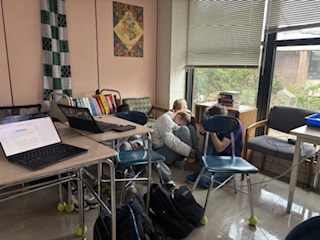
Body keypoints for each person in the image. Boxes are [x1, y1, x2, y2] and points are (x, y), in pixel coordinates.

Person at [186, 103, 243, 188]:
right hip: (214, 157)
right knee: (208, 139)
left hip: (229, 160)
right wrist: (202, 133)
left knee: (203, 181)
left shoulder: (234, 125)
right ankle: (202, 171)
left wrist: (212, 132)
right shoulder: (210, 125)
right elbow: (201, 150)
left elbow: (220, 148)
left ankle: (208, 174)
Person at [152, 109, 199, 183]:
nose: (179, 126)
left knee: (190, 128)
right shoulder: (165, 120)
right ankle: (191, 159)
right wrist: (189, 151)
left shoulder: (172, 118)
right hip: (160, 152)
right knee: (184, 129)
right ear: (178, 117)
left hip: (167, 149)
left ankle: (197, 155)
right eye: (180, 124)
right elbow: (170, 141)